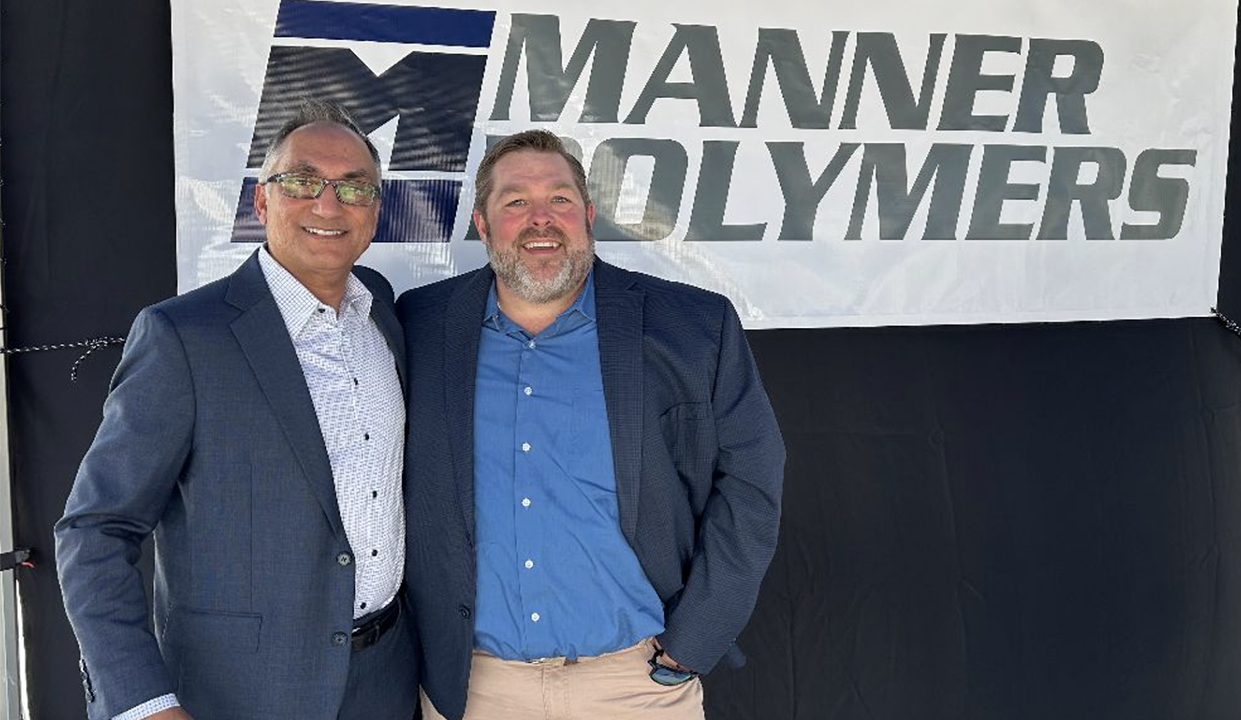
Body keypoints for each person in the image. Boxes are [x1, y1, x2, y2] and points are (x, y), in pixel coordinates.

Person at [398, 130, 786, 720]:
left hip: (637, 685)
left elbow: (751, 482)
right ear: (481, 223)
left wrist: (694, 640)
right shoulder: (422, 323)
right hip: (476, 690)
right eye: (515, 202)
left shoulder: (692, 326)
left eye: (559, 199)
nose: (540, 220)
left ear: (588, 214)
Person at [54, 99, 419, 720]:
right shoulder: (184, 336)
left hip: (385, 682)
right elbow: (96, 530)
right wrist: (141, 703)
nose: (328, 205)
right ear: (261, 201)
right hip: (236, 694)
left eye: (354, 187)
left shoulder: (382, 311)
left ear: (375, 209)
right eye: (303, 182)